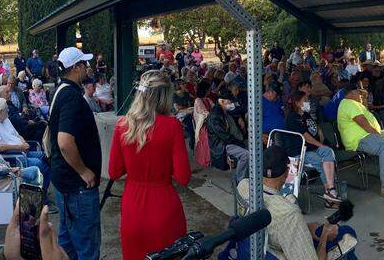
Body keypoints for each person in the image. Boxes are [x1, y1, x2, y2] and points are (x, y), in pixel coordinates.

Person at [108, 70, 191, 260]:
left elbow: (114, 172)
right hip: (164, 206)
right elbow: (183, 177)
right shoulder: (172, 126)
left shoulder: (122, 125)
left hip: (133, 207)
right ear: (164, 97)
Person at [237, 146, 358, 260]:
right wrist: (324, 235)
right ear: (287, 172)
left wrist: (304, 228)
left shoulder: (243, 185)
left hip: (261, 246)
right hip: (276, 253)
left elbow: (279, 227)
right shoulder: (288, 213)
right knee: (346, 233)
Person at [47, 46, 102, 259]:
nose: (87, 67)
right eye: (84, 64)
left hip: (64, 181)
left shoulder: (61, 90)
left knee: (68, 241)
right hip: (76, 186)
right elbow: (64, 142)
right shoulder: (71, 96)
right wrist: (83, 171)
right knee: (86, 246)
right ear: (76, 68)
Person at [337, 85, 384, 197]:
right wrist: (379, 136)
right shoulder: (348, 103)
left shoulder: (356, 104)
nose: (360, 94)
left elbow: (366, 112)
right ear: (351, 93)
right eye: (358, 92)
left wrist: (364, 99)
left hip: (368, 134)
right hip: (358, 139)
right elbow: (364, 123)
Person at [283, 83, 341, 205]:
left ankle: (330, 190)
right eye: (305, 101)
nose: (307, 102)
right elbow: (305, 136)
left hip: (312, 148)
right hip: (299, 152)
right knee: (320, 160)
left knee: (328, 151)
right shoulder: (292, 117)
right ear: (297, 103)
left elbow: (313, 124)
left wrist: (319, 130)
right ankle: (330, 195)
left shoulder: (306, 114)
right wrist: (320, 145)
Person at [0, 97, 51, 191]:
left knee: (46, 156)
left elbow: (17, 134)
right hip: (14, 156)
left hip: (22, 150)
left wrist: (24, 142)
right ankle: (39, 191)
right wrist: (20, 147)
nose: (8, 110)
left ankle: (41, 190)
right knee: (41, 164)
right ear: (0, 111)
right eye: (6, 109)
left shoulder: (5, 119)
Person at [207, 88, 249, 186]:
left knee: (249, 148)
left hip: (227, 141)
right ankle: (240, 181)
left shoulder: (223, 110)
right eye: (230, 102)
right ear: (222, 102)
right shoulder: (215, 116)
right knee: (246, 154)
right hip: (221, 145)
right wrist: (240, 143)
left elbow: (238, 111)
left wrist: (239, 118)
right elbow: (225, 137)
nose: (232, 104)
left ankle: (243, 176)